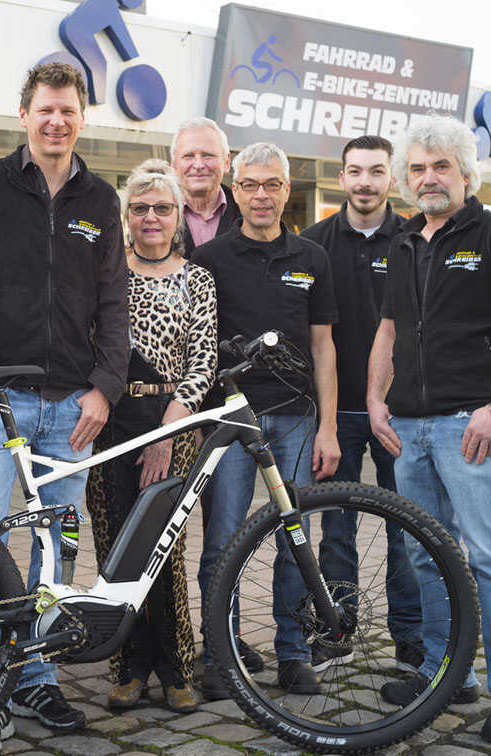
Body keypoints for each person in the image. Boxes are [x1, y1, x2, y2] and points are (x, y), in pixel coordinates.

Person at [0, 62, 129, 754]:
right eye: (45, 110)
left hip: (74, 404)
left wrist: (106, 387)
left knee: (56, 549)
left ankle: (37, 675)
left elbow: (114, 303)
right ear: (24, 115)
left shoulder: (100, 200)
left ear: (81, 118)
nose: (57, 121)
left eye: (68, 111)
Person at [368, 115, 491, 745]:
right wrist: (374, 401)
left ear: (466, 175)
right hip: (409, 430)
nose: (428, 178)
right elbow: (389, 331)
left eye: (440, 166)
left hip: (469, 427)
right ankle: (446, 675)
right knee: (425, 553)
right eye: (417, 168)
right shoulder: (403, 242)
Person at [192, 142, 340, 699]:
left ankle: (294, 653)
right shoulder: (211, 261)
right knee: (224, 542)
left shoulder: (312, 258)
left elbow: (325, 348)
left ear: (287, 187)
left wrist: (327, 426)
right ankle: (222, 656)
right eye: (250, 184)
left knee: (294, 539)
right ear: (235, 189)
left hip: (298, 420)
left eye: (271, 184)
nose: (260, 195)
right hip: (231, 421)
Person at [87, 160, 216, 714]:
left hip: (174, 420)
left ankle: (175, 667)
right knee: (115, 546)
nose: (151, 217)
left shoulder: (198, 279)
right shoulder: (105, 275)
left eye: (162, 207)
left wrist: (171, 424)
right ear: (126, 217)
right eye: (139, 208)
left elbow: (204, 356)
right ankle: (127, 667)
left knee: (163, 549)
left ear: (178, 216)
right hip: (110, 421)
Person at [299, 136, 424, 676]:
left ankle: (412, 640)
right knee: (337, 528)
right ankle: (336, 629)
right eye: (355, 171)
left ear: (390, 178)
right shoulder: (314, 243)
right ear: (341, 177)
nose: (366, 182)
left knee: (410, 530)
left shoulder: (418, 239)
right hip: (337, 414)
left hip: (402, 414)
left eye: (376, 171)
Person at [170, 117, 239, 255]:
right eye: (188, 156)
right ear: (173, 164)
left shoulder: (247, 213)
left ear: (226, 162)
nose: (198, 165)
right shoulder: (155, 214)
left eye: (208, 155)